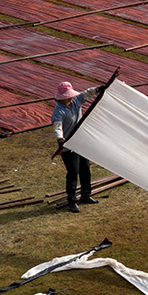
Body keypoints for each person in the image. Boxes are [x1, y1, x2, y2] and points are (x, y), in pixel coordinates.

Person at [51, 81, 100, 213]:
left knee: (85, 168)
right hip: (68, 147)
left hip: (80, 142)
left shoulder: (75, 101)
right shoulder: (58, 112)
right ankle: (72, 201)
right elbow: (58, 128)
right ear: (63, 97)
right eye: (69, 96)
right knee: (73, 173)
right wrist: (60, 139)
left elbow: (87, 94)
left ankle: (86, 195)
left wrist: (98, 89)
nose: (71, 97)